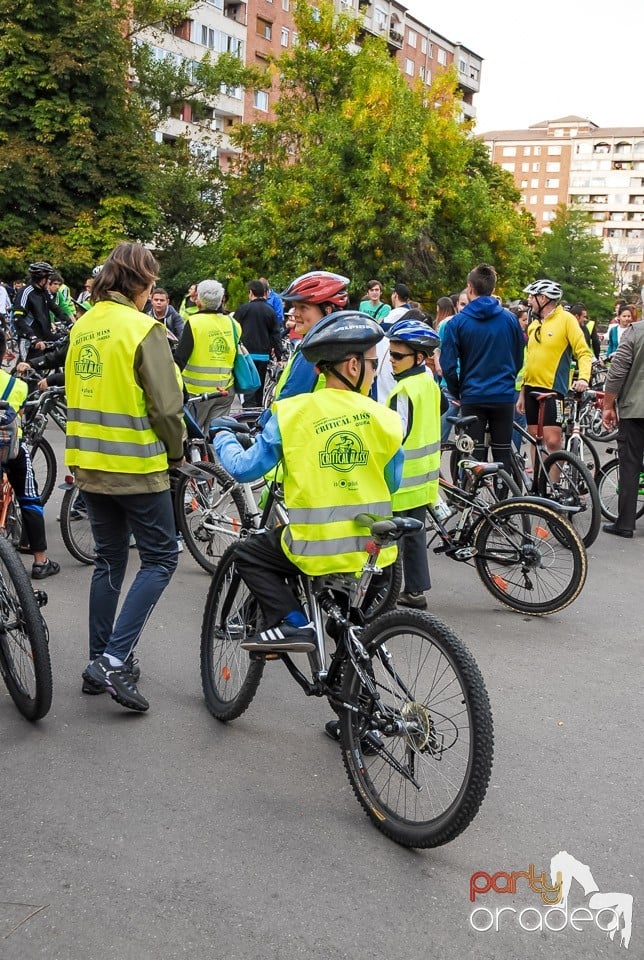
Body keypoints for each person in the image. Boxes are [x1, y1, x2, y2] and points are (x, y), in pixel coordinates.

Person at [213, 311, 403, 654]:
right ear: (353, 366)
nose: (377, 372)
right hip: (373, 553)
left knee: (248, 553)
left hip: (312, 549)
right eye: (374, 364)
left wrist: (222, 435)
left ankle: (294, 623)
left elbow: (243, 470)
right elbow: (393, 482)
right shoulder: (386, 419)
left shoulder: (292, 413)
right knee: (352, 636)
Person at [65, 242, 184, 712]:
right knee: (160, 559)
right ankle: (114, 659)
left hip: (89, 464)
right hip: (136, 465)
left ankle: (99, 662)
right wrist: (175, 454)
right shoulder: (142, 329)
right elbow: (167, 407)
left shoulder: (83, 326)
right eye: (151, 284)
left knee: (109, 561)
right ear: (140, 284)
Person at [439, 264, 525, 474]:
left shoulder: (457, 323)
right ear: (493, 289)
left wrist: (458, 390)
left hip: (473, 394)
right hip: (503, 395)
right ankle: (505, 500)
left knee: (474, 457)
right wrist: (507, 378)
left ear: (470, 288)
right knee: (503, 453)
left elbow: (449, 366)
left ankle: (474, 503)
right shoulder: (510, 319)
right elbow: (518, 357)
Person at [385, 316, 441, 609]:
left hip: (401, 479)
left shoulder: (403, 391)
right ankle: (416, 591)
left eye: (397, 355)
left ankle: (382, 593)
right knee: (415, 535)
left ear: (419, 357)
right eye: (390, 354)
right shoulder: (427, 383)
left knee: (386, 537)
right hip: (425, 477)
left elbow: (397, 434)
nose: (391, 360)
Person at [0, 331, 60, 579]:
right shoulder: (18, 386)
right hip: (10, 451)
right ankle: (40, 560)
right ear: (5, 353)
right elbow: (22, 415)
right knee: (29, 497)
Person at [517, 279, 593, 456]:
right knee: (535, 438)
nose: (528, 299)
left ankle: (553, 483)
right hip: (530, 388)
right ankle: (538, 483)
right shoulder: (534, 323)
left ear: (542, 298)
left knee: (552, 440)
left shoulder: (566, 319)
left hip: (552, 388)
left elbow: (584, 352)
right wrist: (522, 391)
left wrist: (583, 378)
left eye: (531, 296)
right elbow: (529, 361)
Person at [174, 279, 238, 432]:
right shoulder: (233, 323)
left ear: (199, 301)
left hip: (198, 393)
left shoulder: (194, 322)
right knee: (219, 436)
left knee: (191, 438)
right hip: (225, 390)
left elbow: (180, 358)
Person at [601, 315, 644, 538]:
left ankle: (625, 522)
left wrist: (608, 405)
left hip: (636, 409)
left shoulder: (635, 332)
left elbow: (617, 371)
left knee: (630, 464)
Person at [234, 279, 283, 406]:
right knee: (259, 387)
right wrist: (279, 356)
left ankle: (248, 416)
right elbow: (276, 335)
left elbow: (233, 330)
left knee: (247, 387)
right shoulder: (270, 311)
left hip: (246, 355)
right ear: (265, 293)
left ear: (251, 292)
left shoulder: (243, 309)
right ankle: (257, 414)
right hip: (263, 356)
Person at [12, 262, 70, 361]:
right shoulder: (26, 292)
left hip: (45, 335)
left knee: (66, 345)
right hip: (30, 339)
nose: (49, 282)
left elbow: (56, 309)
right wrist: (33, 338)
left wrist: (71, 324)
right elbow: (18, 319)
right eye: (49, 279)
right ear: (43, 280)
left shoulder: (44, 293)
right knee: (28, 370)